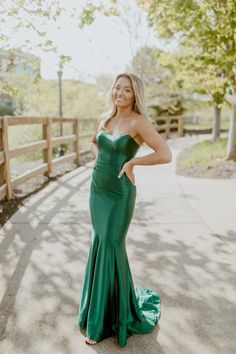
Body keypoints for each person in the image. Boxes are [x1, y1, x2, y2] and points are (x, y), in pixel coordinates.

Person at [77, 72, 172, 347]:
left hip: (120, 193)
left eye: (126, 90)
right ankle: (99, 311)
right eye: (117, 88)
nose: (120, 93)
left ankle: (100, 324)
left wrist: (132, 164)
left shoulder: (139, 121)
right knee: (99, 242)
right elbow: (95, 144)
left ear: (135, 95)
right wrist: (101, 165)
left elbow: (165, 154)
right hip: (98, 190)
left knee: (110, 244)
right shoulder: (104, 117)